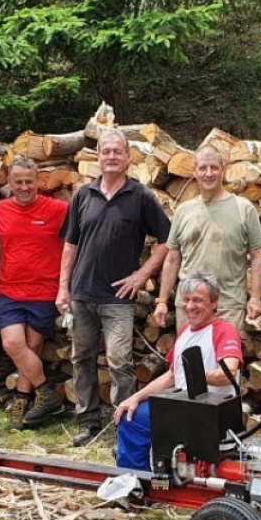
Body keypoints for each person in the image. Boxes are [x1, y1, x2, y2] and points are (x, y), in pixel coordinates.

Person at [58, 129, 171, 447]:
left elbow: (167, 240)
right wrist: (63, 288)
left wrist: (141, 275)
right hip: (82, 293)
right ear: (98, 156)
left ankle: (125, 427)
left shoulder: (141, 196)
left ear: (128, 157)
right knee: (82, 359)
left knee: (120, 362)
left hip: (118, 297)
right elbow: (70, 246)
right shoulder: (83, 195)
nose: (111, 156)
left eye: (117, 151)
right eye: (105, 151)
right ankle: (87, 422)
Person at [113, 274, 243, 470]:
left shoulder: (224, 331)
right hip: (181, 408)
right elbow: (172, 375)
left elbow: (228, 374)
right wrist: (135, 397)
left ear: (214, 303)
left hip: (209, 415)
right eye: (186, 300)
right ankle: (135, 479)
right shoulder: (185, 331)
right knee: (132, 416)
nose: (190, 306)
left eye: (198, 300)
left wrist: (196, 374)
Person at [154, 145, 261, 337]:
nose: (208, 173)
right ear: (194, 171)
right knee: (189, 356)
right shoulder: (183, 211)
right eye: (203, 168)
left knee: (227, 356)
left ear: (224, 170)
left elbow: (257, 256)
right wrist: (162, 300)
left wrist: (255, 297)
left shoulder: (244, 209)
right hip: (189, 306)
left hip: (228, 306)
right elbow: (172, 259)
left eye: (214, 167)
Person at [0, 157, 68, 430]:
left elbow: (78, 237)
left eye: (29, 181)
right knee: (13, 344)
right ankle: (47, 393)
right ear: (9, 183)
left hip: (44, 290)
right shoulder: (0, 210)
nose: (24, 187)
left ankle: (22, 402)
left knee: (32, 347)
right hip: (9, 290)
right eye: (18, 182)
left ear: (38, 182)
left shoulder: (58, 209)